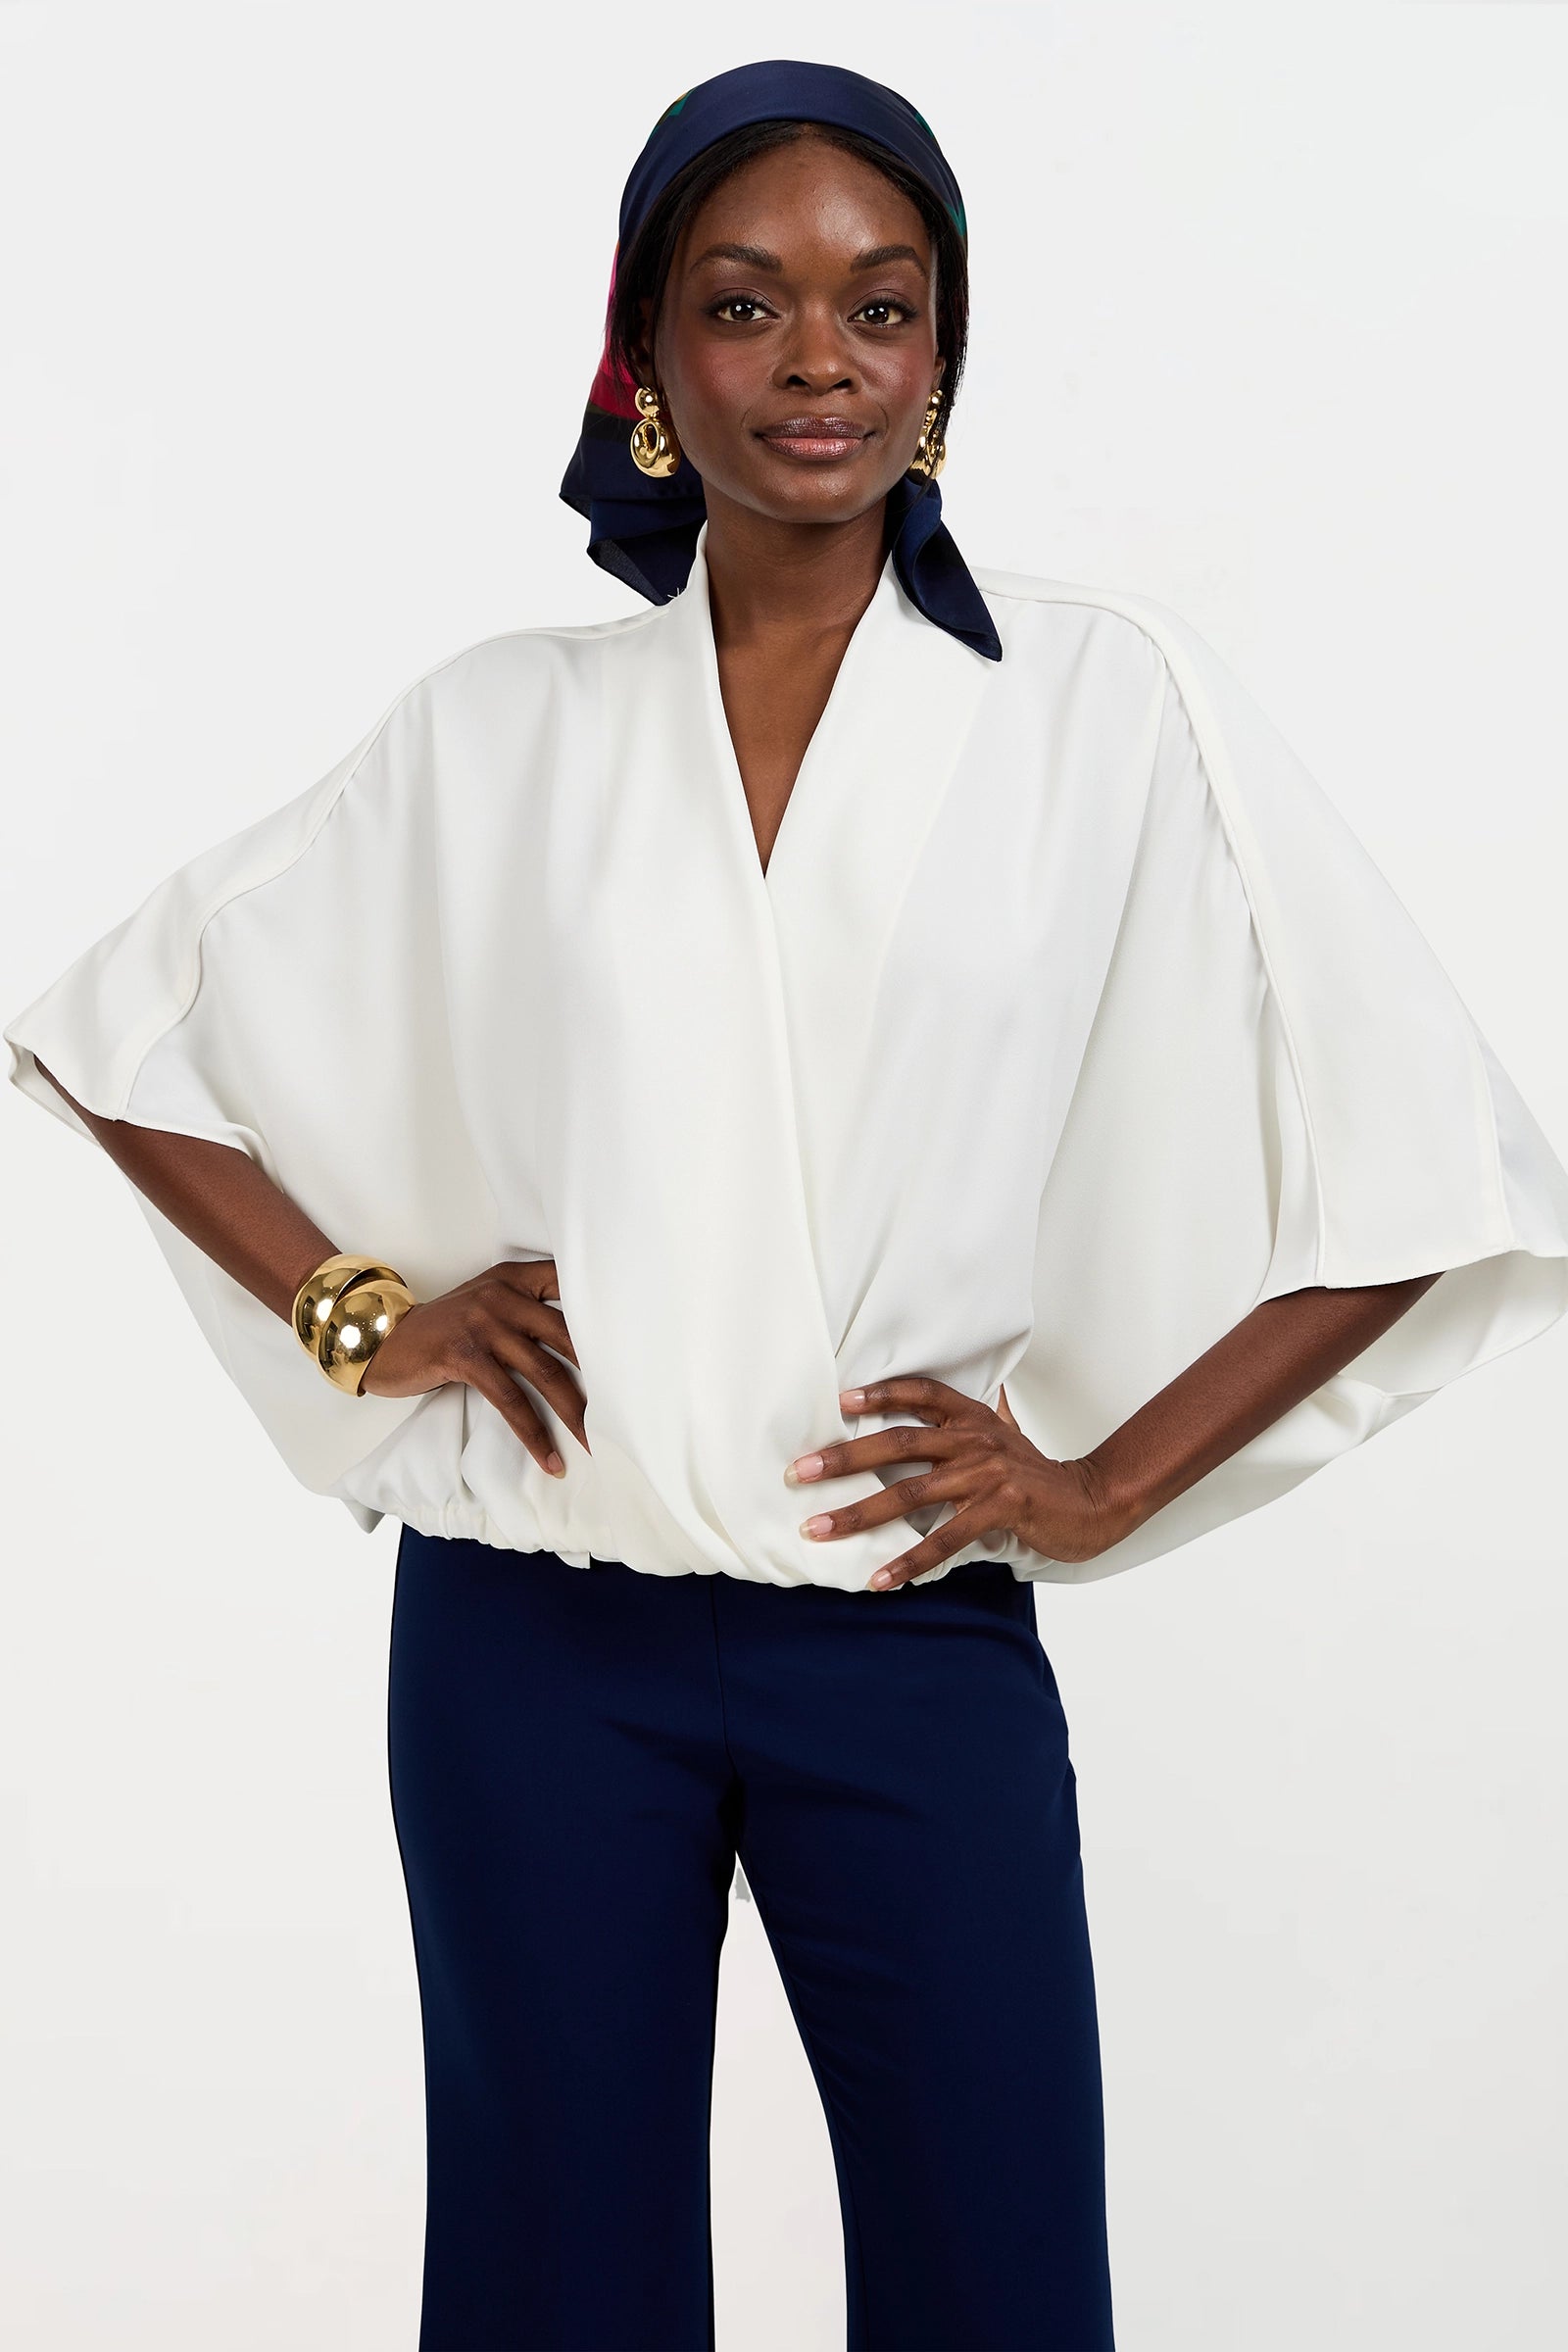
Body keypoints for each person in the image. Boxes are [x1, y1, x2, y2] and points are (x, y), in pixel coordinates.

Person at [7, 54, 1568, 2352]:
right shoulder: (505, 724)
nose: (817, 362)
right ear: (644, 355)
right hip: (535, 1640)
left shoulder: (1093, 706)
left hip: (904, 1639)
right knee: (553, 2294)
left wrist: (1097, 1478)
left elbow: (1427, 1154)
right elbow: (117, 1032)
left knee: (1000, 2286)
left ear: (942, 353)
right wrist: (367, 1313)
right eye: (744, 307)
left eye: (880, 306)